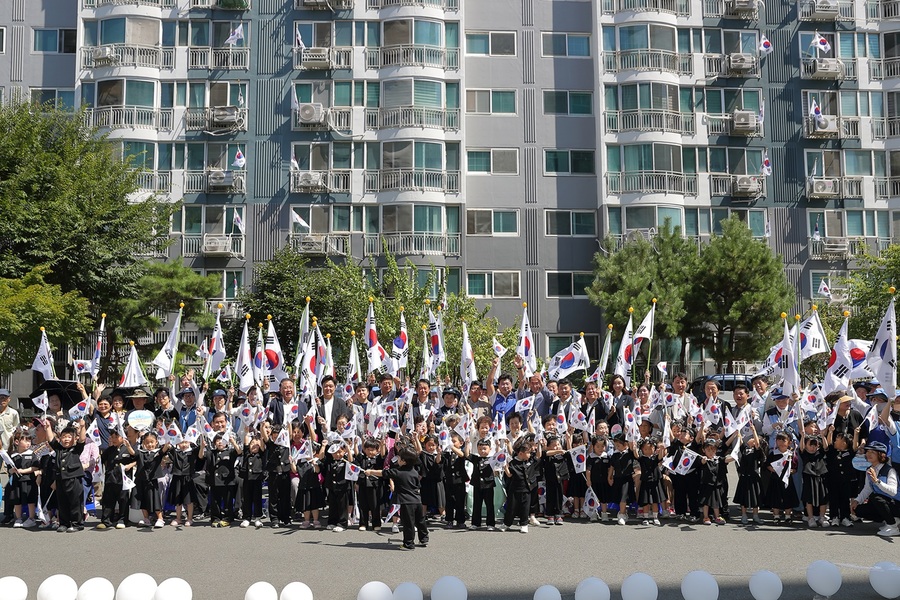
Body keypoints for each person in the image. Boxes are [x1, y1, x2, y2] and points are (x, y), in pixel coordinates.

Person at [364, 446, 429, 550]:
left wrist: (371, 472)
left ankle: (408, 544)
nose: (397, 459)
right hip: (417, 500)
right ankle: (424, 538)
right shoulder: (414, 472)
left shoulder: (397, 472)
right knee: (420, 521)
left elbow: (383, 473)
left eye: (399, 458)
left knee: (408, 524)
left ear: (403, 461)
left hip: (406, 502)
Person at [45, 419, 87, 533]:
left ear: (74, 438)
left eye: (69, 437)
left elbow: (82, 440)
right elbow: (51, 440)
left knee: (75, 502)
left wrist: (82, 427)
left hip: (73, 479)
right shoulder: (59, 449)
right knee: (62, 502)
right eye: (64, 436)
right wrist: (48, 427)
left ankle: (77, 523)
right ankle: (64, 523)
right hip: (60, 479)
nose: (66, 439)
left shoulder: (76, 449)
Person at [852, 440, 900, 537]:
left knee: (876, 498)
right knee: (859, 509)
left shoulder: (890, 470)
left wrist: (877, 481)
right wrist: (856, 501)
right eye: (868, 451)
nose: (869, 454)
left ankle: (893, 526)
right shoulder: (869, 469)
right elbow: (867, 489)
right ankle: (891, 519)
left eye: (873, 452)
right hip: (885, 502)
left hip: (896, 503)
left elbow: (893, 492)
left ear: (881, 455)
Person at [502, 434, 541, 533]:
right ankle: (506, 523)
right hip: (514, 489)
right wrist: (505, 468)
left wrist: (539, 444)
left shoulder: (530, 460)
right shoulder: (513, 463)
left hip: (527, 489)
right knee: (511, 507)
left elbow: (538, 455)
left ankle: (524, 524)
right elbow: (510, 475)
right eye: (527, 452)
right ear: (520, 453)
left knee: (525, 507)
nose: (529, 454)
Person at [201, 431, 242, 527]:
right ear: (214, 442)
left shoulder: (230, 452)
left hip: (227, 481)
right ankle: (215, 518)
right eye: (218, 440)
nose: (220, 442)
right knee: (215, 501)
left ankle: (228, 518)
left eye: (222, 440)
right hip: (214, 481)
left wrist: (233, 442)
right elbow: (201, 456)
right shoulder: (211, 452)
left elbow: (239, 452)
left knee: (228, 501)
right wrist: (202, 447)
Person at [98, 426, 135, 530]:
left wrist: (130, 464)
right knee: (108, 500)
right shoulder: (109, 450)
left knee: (123, 500)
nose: (114, 439)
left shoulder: (128, 448)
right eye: (112, 437)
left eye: (116, 437)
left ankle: (122, 519)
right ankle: (106, 520)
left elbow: (136, 457)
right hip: (110, 478)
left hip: (123, 480)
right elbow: (101, 459)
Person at [798, 414, 830, 528]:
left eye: (815, 445)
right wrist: (802, 436)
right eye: (810, 445)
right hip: (808, 476)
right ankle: (810, 518)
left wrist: (822, 436)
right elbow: (801, 448)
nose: (813, 447)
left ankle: (822, 517)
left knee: (823, 498)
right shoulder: (804, 453)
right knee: (809, 498)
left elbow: (826, 448)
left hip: (821, 475)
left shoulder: (820, 452)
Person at [135, 431, 169, 528]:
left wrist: (167, 444)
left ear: (156, 442)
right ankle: (146, 518)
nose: (150, 444)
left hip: (153, 479)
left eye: (152, 442)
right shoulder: (142, 452)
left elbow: (163, 450)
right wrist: (128, 446)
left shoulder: (157, 452)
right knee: (143, 499)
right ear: (144, 443)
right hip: (143, 479)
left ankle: (160, 518)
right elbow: (134, 454)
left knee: (155, 499)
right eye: (147, 442)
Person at [8, 427, 39, 528]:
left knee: (30, 499)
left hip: (29, 480)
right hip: (17, 481)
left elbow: (35, 467)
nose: (28, 443)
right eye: (25, 440)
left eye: (29, 441)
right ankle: (18, 518)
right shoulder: (13, 455)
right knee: (17, 500)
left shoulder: (31, 454)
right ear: (17, 442)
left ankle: (31, 518)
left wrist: (23, 471)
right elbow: (8, 469)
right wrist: (12, 470)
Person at [765, 431, 799, 524]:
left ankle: (788, 515)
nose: (781, 442)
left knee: (788, 497)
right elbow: (767, 465)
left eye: (783, 440)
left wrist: (790, 471)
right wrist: (772, 469)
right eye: (778, 440)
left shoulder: (791, 454)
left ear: (789, 442)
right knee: (776, 497)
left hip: (787, 479)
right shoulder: (773, 453)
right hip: (775, 479)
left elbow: (795, 467)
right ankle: (776, 515)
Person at [733, 427, 764, 525]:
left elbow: (758, 444)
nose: (750, 439)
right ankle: (744, 515)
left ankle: (755, 515)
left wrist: (754, 430)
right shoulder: (745, 449)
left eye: (753, 439)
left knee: (755, 497)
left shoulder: (756, 451)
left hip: (753, 477)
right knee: (744, 497)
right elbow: (741, 442)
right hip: (744, 476)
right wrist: (738, 434)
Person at [165, 435, 198, 527]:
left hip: (188, 478)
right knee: (177, 499)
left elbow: (199, 450)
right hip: (177, 478)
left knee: (189, 500)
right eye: (181, 442)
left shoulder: (192, 452)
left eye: (186, 442)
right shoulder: (176, 452)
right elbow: (169, 448)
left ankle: (189, 518)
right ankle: (178, 518)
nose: (183, 445)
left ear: (189, 443)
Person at [320, 440, 353, 532]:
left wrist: (348, 449)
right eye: (335, 452)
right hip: (331, 486)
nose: (337, 454)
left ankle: (342, 524)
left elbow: (351, 462)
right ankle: (332, 522)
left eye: (339, 452)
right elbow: (321, 458)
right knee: (333, 505)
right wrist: (323, 446)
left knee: (342, 506)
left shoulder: (345, 460)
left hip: (343, 486)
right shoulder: (330, 461)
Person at [354, 437, 385, 531]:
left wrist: (382, 445)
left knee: (375, 505)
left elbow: (383, 455)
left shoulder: (378, 459)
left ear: (377, 450)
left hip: (375, 485)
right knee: (363, 505)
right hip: (363, 484)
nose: (370, 452)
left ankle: (376, 523)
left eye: (373, 450)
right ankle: (363, 523)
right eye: (368, 450)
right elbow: (357, 454)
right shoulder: (362, 458)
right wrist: (355, 444)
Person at [608, 432, 638, 525]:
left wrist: (634, 446)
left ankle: (621, 514)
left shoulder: (629, 453)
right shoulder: (615, 455)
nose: (617, 447)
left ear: (625, 444)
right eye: (616, 445)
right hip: (617, 478)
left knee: (623, 497)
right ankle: (623, 512)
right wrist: (609, 477)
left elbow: (636, 456)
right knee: (619, 497)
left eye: (619, 445)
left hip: (627, 479)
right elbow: (612, 466)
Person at [467, 438, 496, 530]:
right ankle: (476, 523)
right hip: (477, 484)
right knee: (477, 504)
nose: (482, 451)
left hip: (489, 484)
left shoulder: (492, 459)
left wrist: (498, 445)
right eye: (480, 449)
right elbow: (467, 454)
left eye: (485, 448)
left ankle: (490, 524)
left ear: (490, 449)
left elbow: (500, 456)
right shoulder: (476, 458)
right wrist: (467, 443)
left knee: (489, 505)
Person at [541, 433, 570, 525]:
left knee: (559, 496)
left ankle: (558, 514)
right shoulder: (547, 454)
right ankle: (550, 514)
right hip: (550, 478)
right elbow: (546, 453)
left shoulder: (562, 454)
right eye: (554, 445)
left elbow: (569, 452)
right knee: (550, 496)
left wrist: (569, 439)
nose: (557, 447)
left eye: (558, 445)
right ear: (548, 446)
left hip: (560, 478)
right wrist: (558, 451)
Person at [637, 437, 666, 526]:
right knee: (646, 501)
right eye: (645, 449)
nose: (648, 451)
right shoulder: (642, 459)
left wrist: (662, 448)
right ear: (642, 449)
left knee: (655, 501)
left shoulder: (655, 458)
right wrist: (634, 447)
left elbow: (661, 456)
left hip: (655, 482)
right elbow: (636, 455)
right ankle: (645, 517)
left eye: (650, 448)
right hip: (646, 481)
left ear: (654, 448)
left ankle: (655, 517)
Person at [443, 432, 469, 528]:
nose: (452, 443)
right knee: (449, 501)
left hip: (459, 479)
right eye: (451, 441)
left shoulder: (460, 451)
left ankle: (460, 520)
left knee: (460, 501)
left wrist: (452, 446)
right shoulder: (447, 453)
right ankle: (449, 520)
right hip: (449, 479)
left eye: (454, 441)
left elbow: (463, 455)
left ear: (461, 443)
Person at [240, 432, 265, 529]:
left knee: (257, 499)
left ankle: (258, 517)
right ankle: (247, 518)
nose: (254, 446)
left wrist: (261, 439)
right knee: (247, 499)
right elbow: (246, 443)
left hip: (257, 479)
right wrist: (247, 432)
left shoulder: (261, 454)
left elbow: (263, 446)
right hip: (247, 479)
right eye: (252, 444)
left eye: (256, 444)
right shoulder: (246, 453)